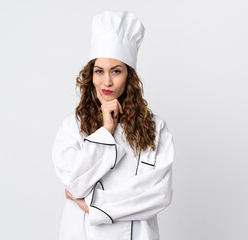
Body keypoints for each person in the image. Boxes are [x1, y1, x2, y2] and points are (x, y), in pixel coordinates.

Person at [52, 10, 174, 240]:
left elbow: (160, 194)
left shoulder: (156, 129)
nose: (106, 81)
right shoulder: (72, 127)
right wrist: (106, 131)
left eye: (116, 71)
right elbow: (74, 184)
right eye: (99, 71)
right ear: (91, 76)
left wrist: (94, 206)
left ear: (129, 76)